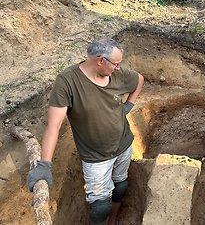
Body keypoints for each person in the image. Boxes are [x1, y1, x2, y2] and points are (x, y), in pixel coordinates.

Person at [26, 38, 145, 225]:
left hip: (123, 145)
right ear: (100, 60)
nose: (118, 68)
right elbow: (53, 126)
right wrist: (45, 164)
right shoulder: (67, 82)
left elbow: (139, 79)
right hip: (96, 158)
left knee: (120, 187)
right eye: (115, 64)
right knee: (99, 208)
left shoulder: (118, 75)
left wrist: (128, 105)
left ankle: (112, 222)